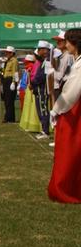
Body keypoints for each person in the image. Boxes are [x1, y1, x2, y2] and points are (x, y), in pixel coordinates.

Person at [49, 30, 81, 201]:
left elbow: (72, 91)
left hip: (73, 111)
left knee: (70, 148)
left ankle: (67, 188)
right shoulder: (76, 62)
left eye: (68, 41)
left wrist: (57, 108)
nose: (65, 44)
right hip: (72, 107)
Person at [0, 46, 18, 123]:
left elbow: (15, 72)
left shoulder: (14, 61)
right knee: (6, 100)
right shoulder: (7, 61)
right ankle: (9, 117)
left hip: (10, 80)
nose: (6, 54)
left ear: (12, 53)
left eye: (8, 52)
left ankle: (9, 118)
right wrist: (0, 67)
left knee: (10, 100)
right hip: (6, 80)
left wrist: (14, 82)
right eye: (6, 52)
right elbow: (4, 71)